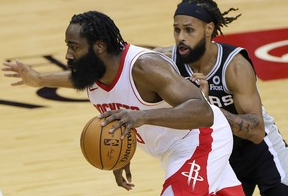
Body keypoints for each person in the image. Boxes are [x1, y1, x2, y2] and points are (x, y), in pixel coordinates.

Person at [2, 11, 245, 195]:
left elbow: (203, 112)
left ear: (99, 47)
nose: (67, 55)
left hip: (202, 139)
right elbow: (73, 79)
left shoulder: (144, 66)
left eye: (74, 47)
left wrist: (140, 117)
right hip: (169, 150)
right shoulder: (93, 73)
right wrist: (37, 78)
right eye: (68, 46)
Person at [154, 0, 288, 196]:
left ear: (208, 29)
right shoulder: (165, 62)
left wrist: (207, 107)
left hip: (261, 151)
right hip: (220, 154)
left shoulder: (234, 66)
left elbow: (257, 131)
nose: (181, 37)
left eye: (189, 30)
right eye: (177, 29)